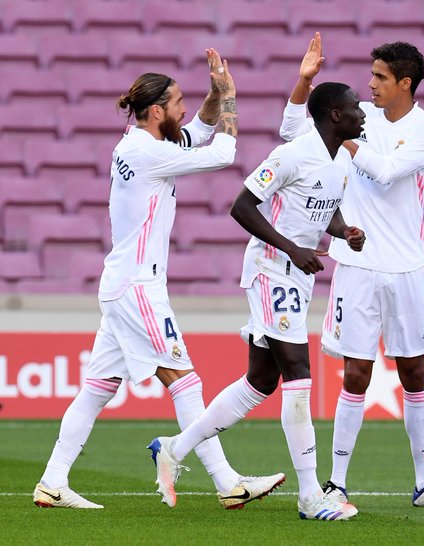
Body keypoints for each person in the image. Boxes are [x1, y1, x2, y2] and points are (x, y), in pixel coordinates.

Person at [33, 49, 284, 510]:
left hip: (123, 283)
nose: (184, 108)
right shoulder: (148, 152)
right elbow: (223, 152)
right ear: (155, 112)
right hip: (138, 288)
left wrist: (212, 95)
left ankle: (52, 481)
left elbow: (196, 132)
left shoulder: (139, 144)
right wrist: (229, 96)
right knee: (185, 381)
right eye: (178, 102)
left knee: (97, 389)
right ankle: (227, 482)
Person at [149, 82, 367, 521]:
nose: (363, 113)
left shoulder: (342, 157)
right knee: (299, 375)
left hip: (297, 275)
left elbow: (326, 209)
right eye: (355, 107)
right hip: (272, 271)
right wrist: (291, 248)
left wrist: (343, 231)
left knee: (261, 382)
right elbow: (242, 206)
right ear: (335, 116)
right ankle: (310, 496)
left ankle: (174, 447)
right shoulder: (290, 154)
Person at [278, 33, 424, 510]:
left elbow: (388, 171)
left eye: (379, 76)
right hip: (354, 264)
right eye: (370, 75)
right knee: (356, 373)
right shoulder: (359, 117)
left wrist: (344, 137)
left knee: (414, 372)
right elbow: (292, 130)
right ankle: (336, 482)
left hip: (405, 268)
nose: (370, 84)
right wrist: (304, 82)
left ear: (405, 82)